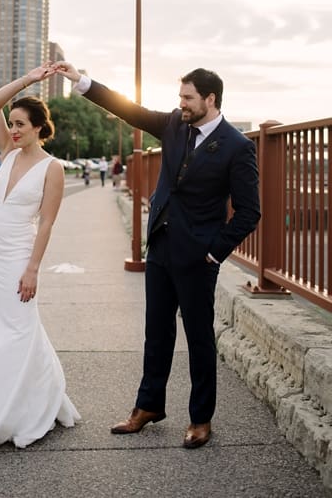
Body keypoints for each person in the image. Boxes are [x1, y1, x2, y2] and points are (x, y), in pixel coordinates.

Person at [53, 62, 260, 449]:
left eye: (187, 97)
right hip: (162, 245)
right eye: (179, 96)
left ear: (210, 99)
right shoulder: (174, 125)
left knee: (199, 338)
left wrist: (215, 253)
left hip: (199, 257)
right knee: (156, 332)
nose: (180, 103)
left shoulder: (237, 146)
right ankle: (148, 407)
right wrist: (81, 82)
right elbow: (128, 108)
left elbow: (250, 212)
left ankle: (200, 418)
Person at [0, 64, 80, 449]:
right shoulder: (7, 152)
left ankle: (24, 409)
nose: (12, 130)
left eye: (20, 124)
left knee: (18, 329)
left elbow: (46, 224)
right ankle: (2, 404)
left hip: (18, 256)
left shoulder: (53, 169)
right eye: (11, 123)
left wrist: (33, 269)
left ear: (38, 128)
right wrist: (30, 80)